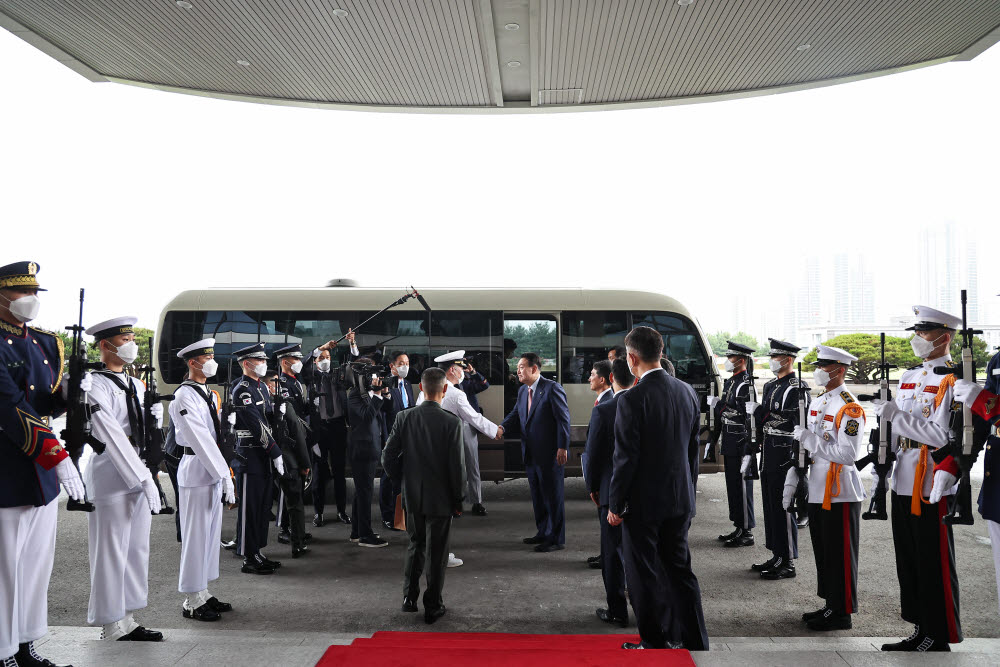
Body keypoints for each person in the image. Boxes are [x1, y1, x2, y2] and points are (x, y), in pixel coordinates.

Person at [0, 261, 86, 667]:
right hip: (8, 468)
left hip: (40, 474)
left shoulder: (44, 342)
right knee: (4, 571)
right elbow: (9, 406)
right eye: (22, 293)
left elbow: (45, 398)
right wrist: (58, 456)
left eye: (35, 292)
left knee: (35, 566)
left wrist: (74, 396)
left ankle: (25, 645)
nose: (30, 300)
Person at [608, 326, 708, 650]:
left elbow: (625, 459)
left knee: (643, 575)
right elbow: (693, 453)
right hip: (680, 500)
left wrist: (614, 504)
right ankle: (695, 641)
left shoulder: (632, 399)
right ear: (661, 353)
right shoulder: (686, 392)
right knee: (680, 572)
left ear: (632, 357)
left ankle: (654, 641)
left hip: (643, 505)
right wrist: (689, 495)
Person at [873, 306, 964, 651]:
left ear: (945, 336)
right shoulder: (911, 377)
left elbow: (943, 436)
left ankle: (939, 633)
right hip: (903, 476)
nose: (917, 339)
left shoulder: (952, 380)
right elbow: (894, 429)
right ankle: (920, 626)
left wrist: (896, 416)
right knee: (909, 558)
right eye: (917, 332)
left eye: (924, 333)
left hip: (931, 481)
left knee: (933, 560)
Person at [82, 317, 163, 641]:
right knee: (110, 551)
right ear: (105, 345)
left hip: (139, 471)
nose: (131, 342)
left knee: (135, 549)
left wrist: (154, 420)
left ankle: (128, 617)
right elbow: (111, 435)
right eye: (125, 337)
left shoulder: (137, 384)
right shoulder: (93, 384)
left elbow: (140, 430)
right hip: (111, 475)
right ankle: (109, 623)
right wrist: (143, 477)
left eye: (132, 336)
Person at [788, 345, 864, 631]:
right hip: (820, 485)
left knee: (841, 553)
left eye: (825, 365)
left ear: (840, 370)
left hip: (840, 489)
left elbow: (848, 454)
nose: (818, 370)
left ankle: (842, 612)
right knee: (825, 550)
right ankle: (831, 603)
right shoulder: (821, 401)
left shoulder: (849, 406)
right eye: (818, 364)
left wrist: (809, 440)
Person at [382, 367, 465, 624]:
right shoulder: (452, 423)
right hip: (441, 499)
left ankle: (409, 598)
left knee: (415, 544)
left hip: (413, 496)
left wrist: (402, 480)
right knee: (437, 553)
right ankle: (433, 605)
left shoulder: (404, 418)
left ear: (421, 388)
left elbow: (387, 457)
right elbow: (457, 467)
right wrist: (459, 499)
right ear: (445, 389)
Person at [169, 338, 236, 622]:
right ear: (192, 362)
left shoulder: (207, 393)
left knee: (209, 537)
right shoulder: (184, 396)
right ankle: (191, 600)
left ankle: (203, 591)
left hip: (210, 469)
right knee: (196, 538)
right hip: (196, 470)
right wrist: (225, 476)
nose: (212, 360)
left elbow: (216, 437)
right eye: (206, 357)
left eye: (212, 355)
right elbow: (199, 440)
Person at [747, 339, 808, 580]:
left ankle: (788, 561)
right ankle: (777, 554)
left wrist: (762, 415)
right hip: (770, 452)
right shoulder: (772, 385)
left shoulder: (797, 387)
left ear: (788, 359)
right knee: (771, 506)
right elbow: (767, 420)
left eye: (777, 356)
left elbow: (793, 422)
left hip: (785, 454)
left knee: (784, 507)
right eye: (772, 356)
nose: (773, 360)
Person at [500, 352, 571, 552]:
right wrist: (502, 428)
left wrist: (562, 446)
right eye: (518, 367)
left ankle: (556, 538)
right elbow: (515, 414)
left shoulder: (551, 389)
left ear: (534, 368)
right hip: (530, 453)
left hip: (550, 453)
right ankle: (543, 532)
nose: (518, 370)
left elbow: (563, 419)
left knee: (552, 496)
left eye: (522, 367)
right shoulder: (523, 391)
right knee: (538, 496)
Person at [583, 358, 632, 628]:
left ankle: (617, 610)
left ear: (610, 378)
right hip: (639, 493)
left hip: (609, 492)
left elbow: (593, 456)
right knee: (635, 553)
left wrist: (592, 488)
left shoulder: (604, 409)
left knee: (612, 554)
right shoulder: (642, 404)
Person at [232, 343, 286, 573]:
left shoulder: (261, 388)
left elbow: (267, 417)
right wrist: (275, 452)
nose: (264, 364)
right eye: (260, 360)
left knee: (263, 507)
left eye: (264, 360)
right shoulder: (243, 390)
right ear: (247, 364)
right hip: (250, 455)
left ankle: (257, 551)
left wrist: (278, 412)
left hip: (262, 455)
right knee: (250, 508)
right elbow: (256, 426)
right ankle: (248, 557)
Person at [953, 358, 1000, 619]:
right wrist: (953, 466)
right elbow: (983, 423)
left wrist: (984, 401)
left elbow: (989, 406)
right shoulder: (998, 360)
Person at [300, 331, 358, 528]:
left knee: (340, 471)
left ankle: (342, 511)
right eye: (322, 358)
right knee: (319, 471)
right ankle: (319, 512)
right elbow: (304, 364)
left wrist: (351, 345)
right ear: (316, 361)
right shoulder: (311, 376)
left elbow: (354, 367)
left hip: (338, 426)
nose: (325, 360)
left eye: (328, 357)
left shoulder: (338, 375)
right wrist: (321, 348)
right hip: (319, 429)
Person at [435, 351, 500, 517]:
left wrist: (473, 372)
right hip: (454, 430)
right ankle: (455, 503)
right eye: (460, 368)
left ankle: (474, 501)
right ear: (451, 370)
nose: (462, 371)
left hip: (463, 429)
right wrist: (496, 431)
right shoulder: (450, 391)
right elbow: (475, 417)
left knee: (470, 466)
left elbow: (484, 385)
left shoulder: (438, 388)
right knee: (454, 468)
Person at [706, 341, 756, 547]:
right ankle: (738, 525)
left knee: (743, 487)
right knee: (733, 487)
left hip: (741, 441)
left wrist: (718, 406)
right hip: (729, 439)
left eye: (732, 357)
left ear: (741, 360)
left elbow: (744, 414)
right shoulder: (731, 382)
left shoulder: (746, 383)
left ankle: (747, 531)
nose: (728, 361)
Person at [265, 371, 311, 558]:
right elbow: (298, 437)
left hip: (264, 463)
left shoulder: (258, 405)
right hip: (288, 461)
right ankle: (297, 544)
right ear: (269, 386)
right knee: (295, 504)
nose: (278, 386)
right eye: (275, 383)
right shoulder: (285, 405)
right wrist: (305, 464)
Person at [347, 357, 389, 548]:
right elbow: (367, 416)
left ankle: (357, 531)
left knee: (361, 492)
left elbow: (385, 411)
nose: (374, 378)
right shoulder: (354, 395)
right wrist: (377, 395)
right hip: (362, 449)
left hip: (370, 448)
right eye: (370, 374)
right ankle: (365, 535)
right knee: (365, 493)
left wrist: (384, 395)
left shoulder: (369, 394)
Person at [583, 360, 615, 570]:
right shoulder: (603, 402)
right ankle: (605, 555)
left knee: (608, 525)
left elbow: (596, 451)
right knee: (604, 525)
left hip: (606, 478)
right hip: (605, 478)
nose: (589, 378)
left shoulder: (606, 406)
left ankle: (609, 559)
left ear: (602, 379)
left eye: (592, 374)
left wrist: (592, 485)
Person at [380, 351, 414, 531]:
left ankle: (400, 516)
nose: (405, 366)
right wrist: (386, 440)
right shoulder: (386, 385)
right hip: (391, 439)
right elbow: (384, 413)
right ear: (392, 366)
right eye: (401, 363)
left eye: (407, 362)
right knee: (388, 478)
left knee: (401, 479)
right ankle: (387, 516)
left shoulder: (407, 384)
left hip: (406, 438)